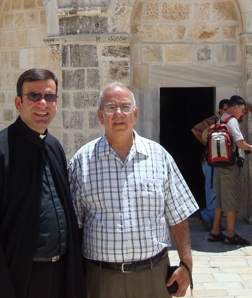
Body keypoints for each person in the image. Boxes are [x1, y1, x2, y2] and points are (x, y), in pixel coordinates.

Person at [0, 68, 86, 298]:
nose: (42, 103)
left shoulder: (54, 147)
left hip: (60, 276)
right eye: (34, 96)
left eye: (49, 96)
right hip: (20, 279)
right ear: (17, 102)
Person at [68, 81, 198, 298]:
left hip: (153, 276)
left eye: (125, 106)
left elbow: (178, 215)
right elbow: (73, 225)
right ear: (101, 116)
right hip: (101, 279)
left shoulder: (159, 156)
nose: (119, 113)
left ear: (135, 114)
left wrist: (186, 264)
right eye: (110, 107)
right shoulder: (82, 161)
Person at [207, 95, 252, 246]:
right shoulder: (231, 121)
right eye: (242, 110)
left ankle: (215, 231)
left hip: (220, 165)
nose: (242, 113)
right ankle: (230, 234)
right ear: (236, 107)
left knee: (221, 200)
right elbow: (239, 142)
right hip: (231, 167)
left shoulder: (221, 119)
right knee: (231, 200)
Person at [191, 99, 229, 231]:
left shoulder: (229, 122)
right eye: (225, 109)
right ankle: (207, 216)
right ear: (220, 110)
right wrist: (207, 144)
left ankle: (215, 221)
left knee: (220, 193)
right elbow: (196, 129)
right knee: (212, 191)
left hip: (222, 162)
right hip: (211, 162)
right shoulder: (213, 120)